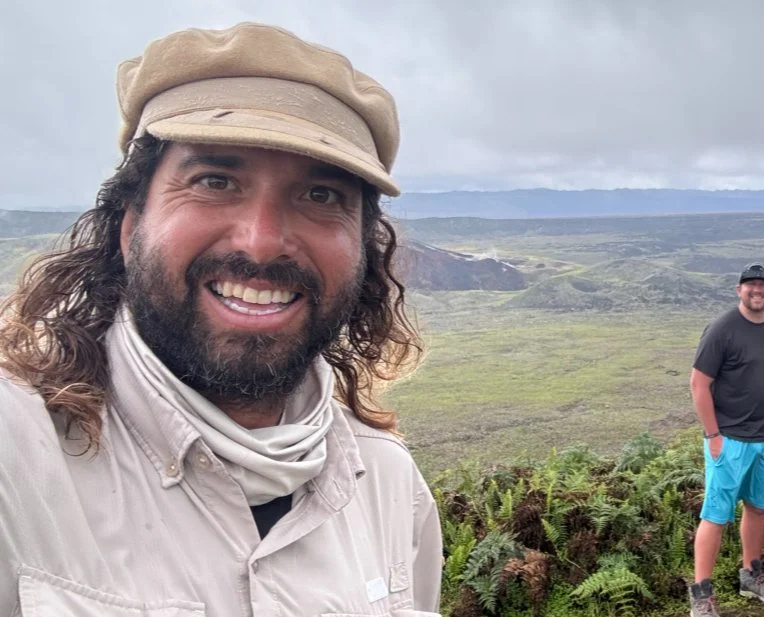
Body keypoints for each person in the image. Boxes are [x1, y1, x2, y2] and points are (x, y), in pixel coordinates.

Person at [0, 23, 443, 616]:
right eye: (215, 181)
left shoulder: (389, 486)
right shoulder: (18, 459)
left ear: (364, 254)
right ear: (131, 225)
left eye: (319, 196)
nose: (261, 244)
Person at [688, 262, 764, 617]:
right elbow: (699, 384)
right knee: (715, 514)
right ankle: (701, 594)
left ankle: (751, 574)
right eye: (750, 285)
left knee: (758, 507)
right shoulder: (722, 329)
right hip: (728, 438)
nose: (757, 290)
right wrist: (713, 435)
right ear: (738, 290)